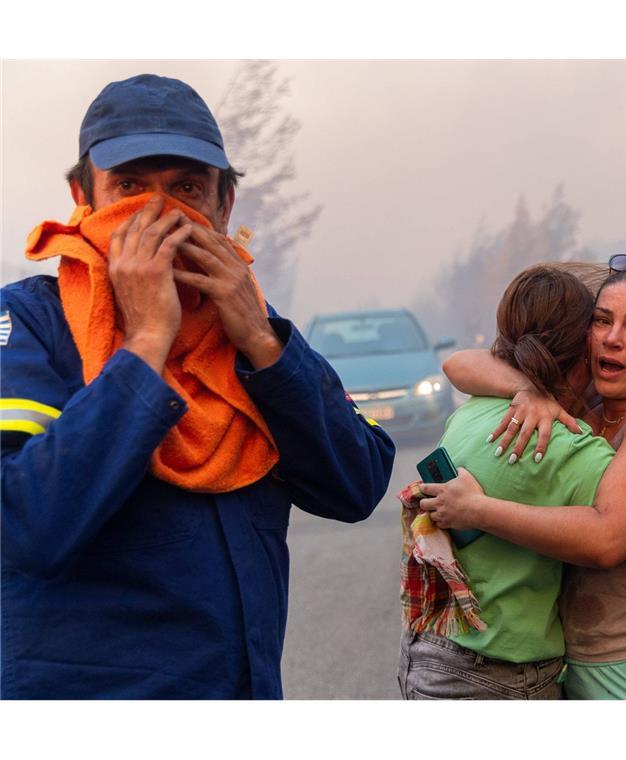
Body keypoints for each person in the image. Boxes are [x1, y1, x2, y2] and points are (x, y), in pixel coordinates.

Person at [0, 74, 395, 699]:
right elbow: (28, 526)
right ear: (83, 196)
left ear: (223, 207)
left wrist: (266, 346)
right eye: (130, 188)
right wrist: (147, 341)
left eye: (186, 188)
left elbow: (357, 485)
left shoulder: (248, 330)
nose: (160, 214)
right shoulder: (29, 325)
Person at [420, 255, 626, 699]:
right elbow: (459, 364)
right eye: (603, 321)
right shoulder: (587, 410)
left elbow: (615, 541)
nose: (613, 339)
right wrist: (527, 389)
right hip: (580, 664)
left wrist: (480, 510)